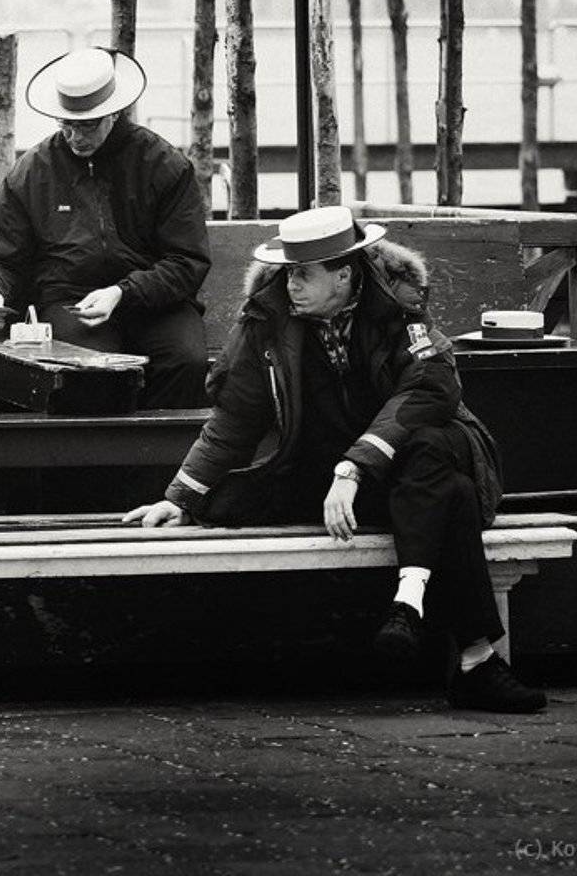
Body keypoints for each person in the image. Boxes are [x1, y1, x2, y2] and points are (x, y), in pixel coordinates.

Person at [124, 205, 547, 714]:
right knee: (447, 493)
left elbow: (431, 386)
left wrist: (356, 465)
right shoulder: (267, 317)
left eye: (303, 273)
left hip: (400, 468)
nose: (291, 284)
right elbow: (236, 417)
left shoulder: (399, 304)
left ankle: (415, 609)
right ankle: (474, 659)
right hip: (329, 482)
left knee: (434, 448)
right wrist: (182, 496)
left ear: (344, 274)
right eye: (285, 272)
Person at [0, 46, 212, 409]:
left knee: (187, 361)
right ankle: (100, 466)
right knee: (83, 371)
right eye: (66, 125)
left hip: (157, 302)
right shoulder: (33, 171)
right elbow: (1, 257)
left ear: (113, 114)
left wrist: (122, 292)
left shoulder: (163, 164)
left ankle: (155, 463)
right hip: (70, 301)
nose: (76, 137)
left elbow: (187, 261)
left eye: (87, 125)